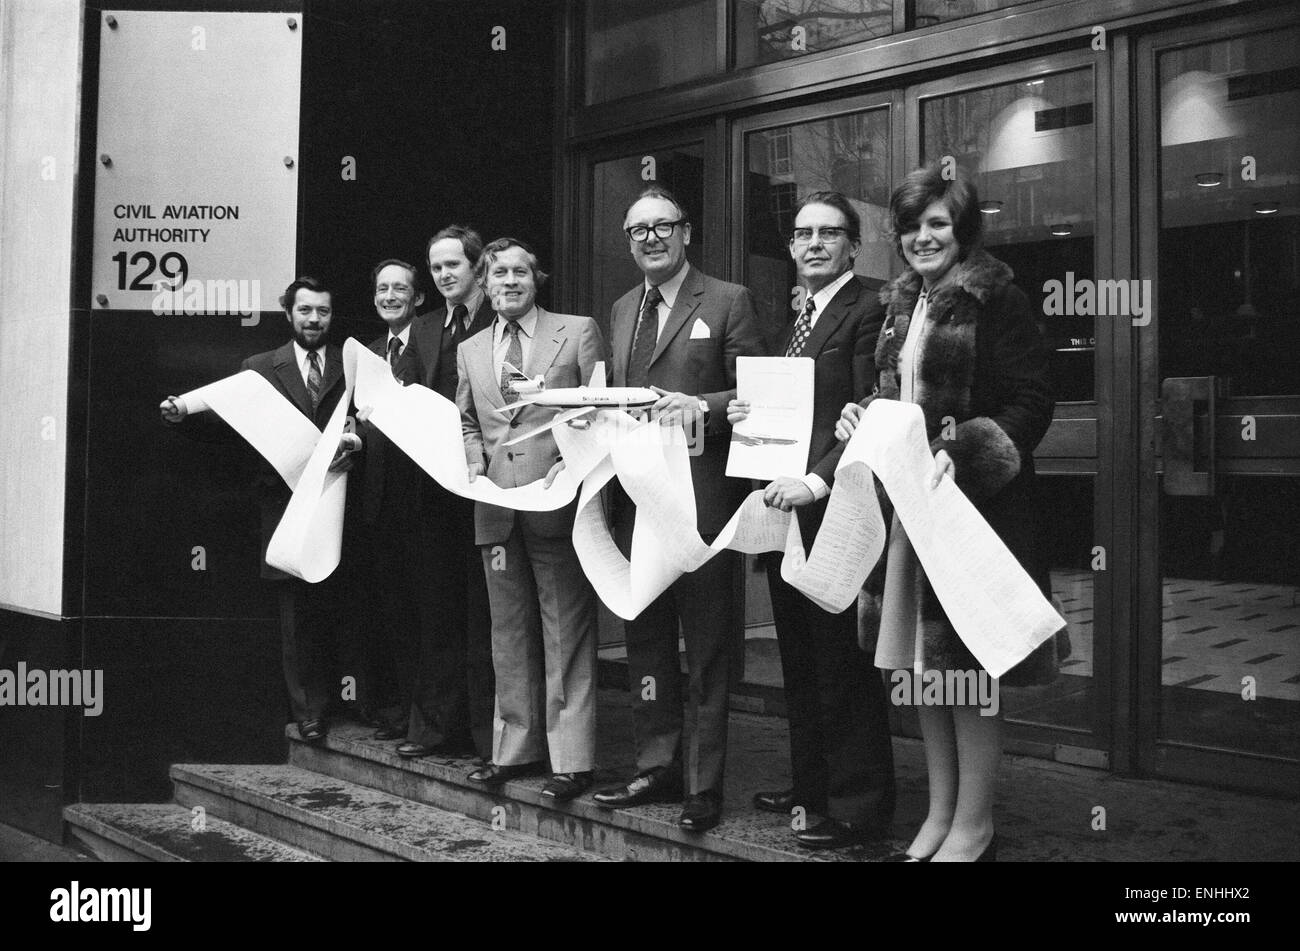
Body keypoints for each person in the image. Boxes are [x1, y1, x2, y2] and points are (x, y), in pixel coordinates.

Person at [835, 164, 1056, 862]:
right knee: (923, 670)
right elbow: (897, 401)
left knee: (967, 672)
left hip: (974, 514)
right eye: (911, 226)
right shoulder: (902, 303)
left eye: (937, 223)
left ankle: (974, 823)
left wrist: (963, 454)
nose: (923, 236)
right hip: (912, 513)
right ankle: (938, 814)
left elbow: (1032, 402)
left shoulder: (1000, 300)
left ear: (961, 230)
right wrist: (861, 415)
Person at [590, 186, 765, 833]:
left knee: (710, 653)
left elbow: (756, 389)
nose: (651, 238)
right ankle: (656, 763)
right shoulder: (621, 309)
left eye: (663, 225)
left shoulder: (727, 299)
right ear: (628, 241)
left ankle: (703, 785)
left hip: (704, 508)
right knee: (648, 645)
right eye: (639, 230)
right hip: (640, 507)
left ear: (685, 232)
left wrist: (703, 408)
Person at [727, 191, 895, 849]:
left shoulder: (869, 310)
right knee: (798, 658)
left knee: (841, 664)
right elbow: (783, 409)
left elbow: (865, 410)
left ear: (853, 245)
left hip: (836, 506)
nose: (815, 243)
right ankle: (811, 788)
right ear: (792, 247)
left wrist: (817, 477)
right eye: (804, 234)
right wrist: (748, 420)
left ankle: (860, 804)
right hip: (783, 509)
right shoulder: (791, 315)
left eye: (830, 233)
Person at [160, 276, 357, 744]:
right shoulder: (259, 368)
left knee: (349, 605)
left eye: (322, 311)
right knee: (297, 614)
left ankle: (363, 704)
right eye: (305, 311)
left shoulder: (353, 365)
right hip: (284, 505)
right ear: (289, 313)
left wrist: (355, 445)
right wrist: (182, 414)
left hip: (341, 502)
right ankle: (309, 712)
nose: (314, 320)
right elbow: (229, 425)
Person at [457, 237, 605, 801]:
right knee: (508, 632)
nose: (510, 281)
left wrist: (571, 461)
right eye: (499, 274)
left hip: (557, 501)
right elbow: (468, 420)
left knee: (565, 629)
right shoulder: (470, 350)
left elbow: (600, 407)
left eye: (521, 271)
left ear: (535, 278)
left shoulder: (577, 330)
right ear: (485, 283)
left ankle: (572, 760)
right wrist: (473, 461)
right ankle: (513, 751)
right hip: (495, 507)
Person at [359, 259, 476, 758]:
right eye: (382, 288)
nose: (390, 296)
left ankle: (433, 725)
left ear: (418, 298)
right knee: (396, 611)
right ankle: (404, 715)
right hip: (379, 500)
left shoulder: (435, 340)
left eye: (400, 288)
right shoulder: (364, 353)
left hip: (429, 497)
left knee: (435, 613)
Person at [417, 226, 496, 760]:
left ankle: (485, 734)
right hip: (434, 491)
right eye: (437, 267)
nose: (445, 275)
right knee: (440, 611)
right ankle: (442, 729)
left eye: (454, 265)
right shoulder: (427, 329)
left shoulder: (502, 320)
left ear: (476, 268)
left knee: (487, 615)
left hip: (488, 487)